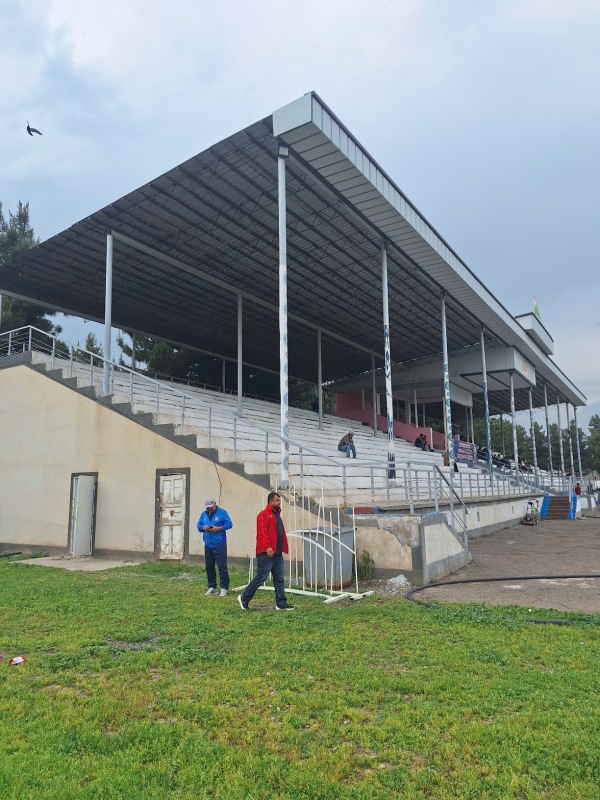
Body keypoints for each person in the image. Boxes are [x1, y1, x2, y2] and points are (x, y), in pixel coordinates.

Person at [238, 492, 295, 611]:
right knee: (261, 577)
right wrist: (268, 547)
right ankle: (244, 598)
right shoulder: (263, 515)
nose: (279, 503)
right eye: (277, 501)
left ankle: (281, 603)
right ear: (271, 502)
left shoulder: (276, 515)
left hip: (277, 553)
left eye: (279, 501)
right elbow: (262, 533)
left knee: (279, 578)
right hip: (266, 553)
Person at [197, 497, 233, 597]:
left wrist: (219, 528)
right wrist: (203, 528)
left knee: (222, 567)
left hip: (219, 544)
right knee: (209, 566)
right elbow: (199, 525)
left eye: (211, 507)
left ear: (215, 504)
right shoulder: (203, 514)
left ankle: (224, 588)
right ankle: (212, 587)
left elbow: (229, 524)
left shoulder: (222, 512)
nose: (209, 509)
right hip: (208, 544)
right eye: (207, 508)